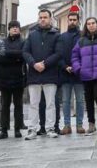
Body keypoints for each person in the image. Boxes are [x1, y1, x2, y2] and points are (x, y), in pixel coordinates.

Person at [23, 10, 62, 139]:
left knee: (50, 104)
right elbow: (25, 52)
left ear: (50, 19)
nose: (43, 19)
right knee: (33, 104)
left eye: (45, 17)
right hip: (34, 75)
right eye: (40, 17)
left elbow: (58, 53)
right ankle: (32, 129)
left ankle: (50, 128)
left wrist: (45, 64)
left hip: (50, 74)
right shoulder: (32, 35)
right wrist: (34, 64)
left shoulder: (56, 35)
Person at [56, 12, 85, 135]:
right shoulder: (62, 37)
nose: (72, 22)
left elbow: (85, 54)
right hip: (65, 73)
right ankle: (67, 125)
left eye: (74, 20)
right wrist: (65, 66)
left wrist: (78, 67)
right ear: (67, 21)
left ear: (78, 21)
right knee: (65, 101)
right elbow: (58, 54)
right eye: (70, 20)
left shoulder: (83, 36)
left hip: (79, 74)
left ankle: (79, 125)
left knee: (80, 100)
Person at [0, 21, 26, 139]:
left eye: (17, 27)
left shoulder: (24, 42)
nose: (15, 29)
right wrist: (16, 57)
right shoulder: (3, 42)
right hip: (4, 78)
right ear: (9, 29)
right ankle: (4, 130)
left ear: (19, 29)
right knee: (5, 105)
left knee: (18, 105)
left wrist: (8, 54)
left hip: (19, 78)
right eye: (12, 27)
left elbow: (23, 55)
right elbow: (1, 56)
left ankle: (17, 129)